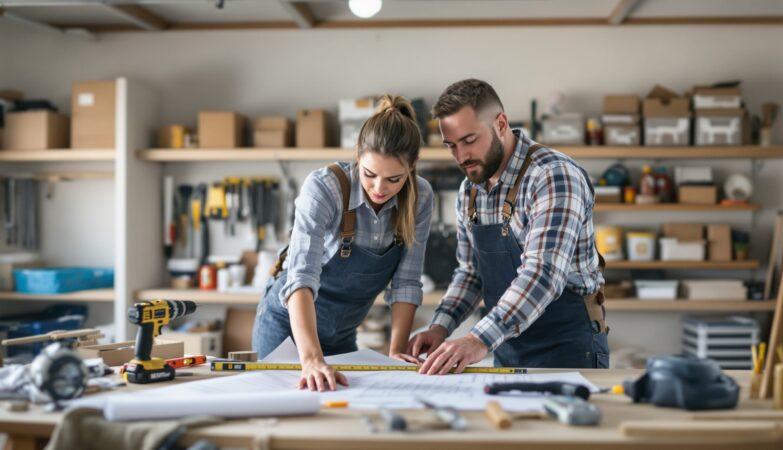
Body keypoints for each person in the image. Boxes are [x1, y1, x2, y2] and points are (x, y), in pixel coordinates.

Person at [407, 79, 609, 374]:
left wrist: (477, 338)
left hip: (568, 347)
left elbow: (542, 275)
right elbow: (471, 273)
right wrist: (440, 326)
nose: (461, 157)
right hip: (506, 347)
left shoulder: (553, 177)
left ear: (500, 124)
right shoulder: (470, 190)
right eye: (451, 145)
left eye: (469, 140)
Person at [252, 95, 433, 391]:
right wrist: (310, 358)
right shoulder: (324, 188)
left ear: (412, 167)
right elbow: (301, 277)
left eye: (394, 179)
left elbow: (406, 283)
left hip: (342, 331)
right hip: (288, 328)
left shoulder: (421, 197)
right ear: (359, 155)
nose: (379, 188)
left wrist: (395, 354)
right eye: (370, 174)